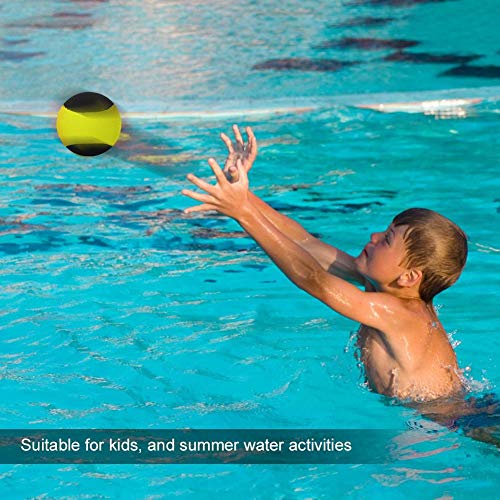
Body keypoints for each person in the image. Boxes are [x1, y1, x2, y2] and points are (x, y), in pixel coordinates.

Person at [181, 125, 468, 403]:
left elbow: (314, 279)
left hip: (436, 422)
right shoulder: (381, 287)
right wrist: (241, 196)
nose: (374, 236)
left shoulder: (399, 312)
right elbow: (305, 244)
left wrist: (243, 215)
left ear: (409, 277)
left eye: (387, 239)